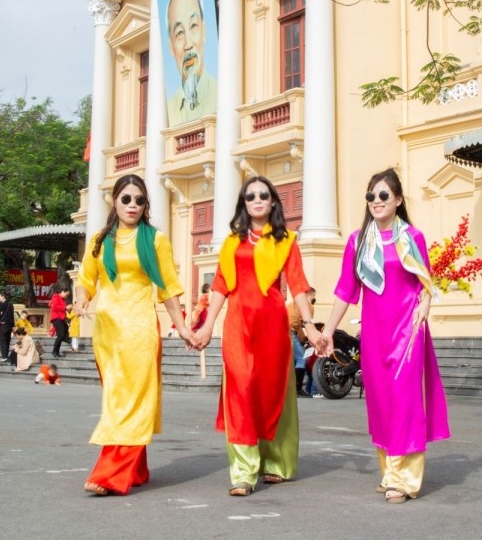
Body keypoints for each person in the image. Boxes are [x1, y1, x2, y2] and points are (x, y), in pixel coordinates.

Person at [320, 169, 450, 505]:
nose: (376, 202)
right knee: (380, 401)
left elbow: (426, 284)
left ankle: (403, 480)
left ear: (398, 200)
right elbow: (346, 291)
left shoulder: (413, 237)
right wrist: (328, 330)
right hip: (374, 332)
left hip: (408, 329)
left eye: (383, 196)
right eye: (371, 196)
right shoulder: (358, 241)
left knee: (405, 399)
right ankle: (390, 471)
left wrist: (425, 305)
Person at [191, 176, 322, 497]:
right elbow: (220, 285)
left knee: (271, 391)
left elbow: (299, 285)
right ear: (244, 204)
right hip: (237, 324)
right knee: (240, 389)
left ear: (273, 201)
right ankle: (243, 472)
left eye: (264, 195)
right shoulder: (232, 243)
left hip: (272, 325)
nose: (258, 200)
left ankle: (276, 463)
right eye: (251, 196)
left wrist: (310, 326)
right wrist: (207, 326)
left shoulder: (287, 241)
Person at [74, 174, 193, 496]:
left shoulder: (155, 240)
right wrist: (81, 297)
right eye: (126, 198)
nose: (133, 205)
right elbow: (86, 278)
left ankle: (110, 473)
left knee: (130, 400)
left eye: (139, 200)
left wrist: (181, 327)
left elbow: (168, 287)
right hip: (107, 332)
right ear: (115, 201)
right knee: (117, 399)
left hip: (140, 330)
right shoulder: (100, 240)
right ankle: (136, 469)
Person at [164, 0, 218, 124]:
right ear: (170, 46)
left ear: (204, 31)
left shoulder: (222, 92)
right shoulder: (166, 111)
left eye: (193, 26)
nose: (188, 44)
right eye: (179, 33)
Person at [289, 287, 316, 397]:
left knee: (291, 361)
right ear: (309, 295)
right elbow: (307, 324)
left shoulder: (292, 304)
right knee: (301, 359)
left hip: (282, 331)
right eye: (314, 296)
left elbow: (297, 324)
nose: (314, 298)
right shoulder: (308, 306)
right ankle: (298, 388)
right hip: (290, 331)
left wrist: (302, 337)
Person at [49, 284, 70, 360]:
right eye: (66, 294)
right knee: (61, 335)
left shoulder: (62, 300)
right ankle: (54, 351)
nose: (66, 296)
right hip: (56, 318)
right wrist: (65, 307)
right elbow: (55, 307)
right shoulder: (56, 297)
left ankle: (56, 352)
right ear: (62, 292)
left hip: (61, 318)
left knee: (64, 332)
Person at [0, 291, 14, 362]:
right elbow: (12, 316)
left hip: (3, 325)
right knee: (7, 341)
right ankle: (6, 356)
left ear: (2, 297)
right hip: (9, 326)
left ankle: (4, 357)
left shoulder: (1, 305)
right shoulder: (10, 304)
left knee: (2, 341)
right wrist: (12, 326)